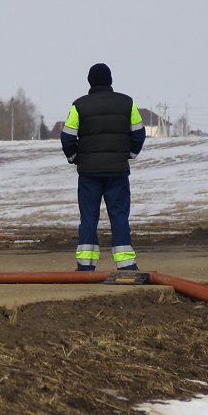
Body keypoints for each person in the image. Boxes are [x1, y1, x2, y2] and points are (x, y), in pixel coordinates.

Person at [60, 62, 145, 272]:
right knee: (119, 216)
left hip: (89, 173)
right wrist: (130, 154)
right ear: (110, 80)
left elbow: (67, 137)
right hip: (117, 172)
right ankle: (126, 264)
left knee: (89, 217)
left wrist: (74, 157)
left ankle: (86, 265)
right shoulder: (127, 103)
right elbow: (139, 133)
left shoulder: (79, 105)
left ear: (89, 81)